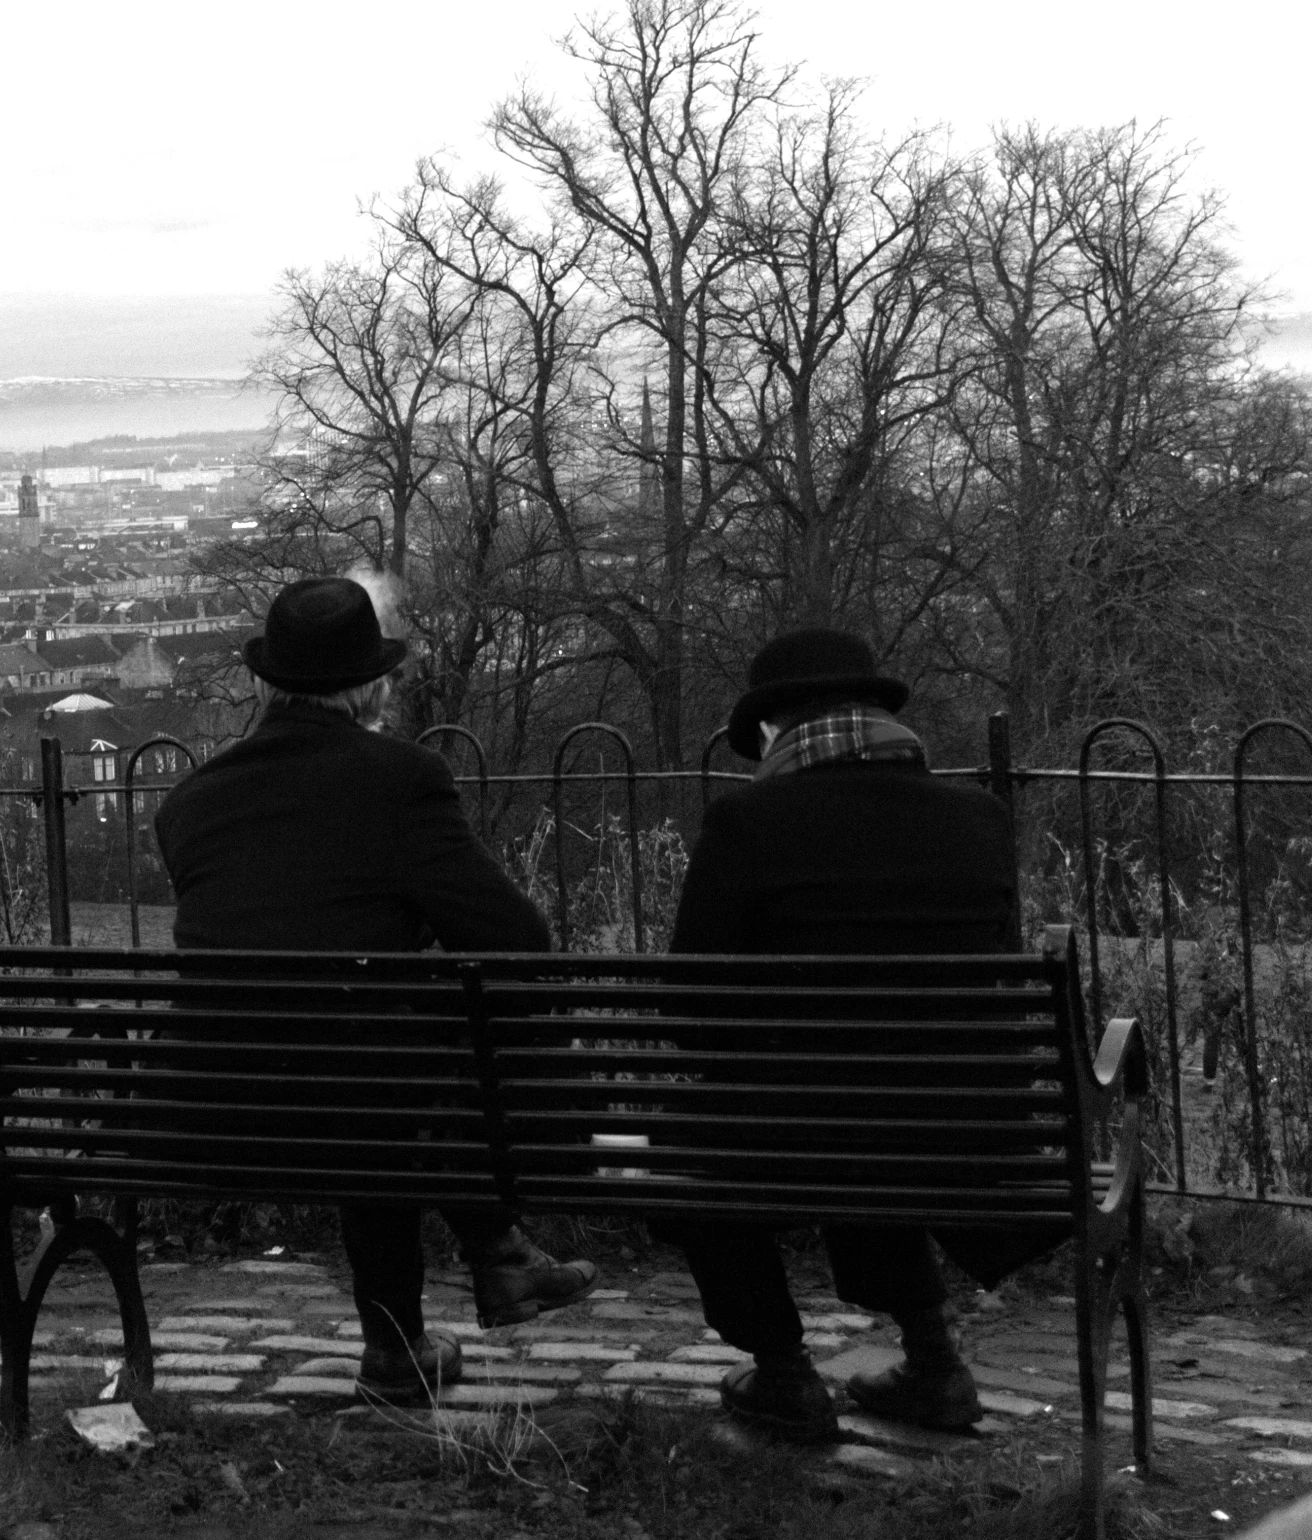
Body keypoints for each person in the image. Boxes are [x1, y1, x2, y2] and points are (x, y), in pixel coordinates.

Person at [154, 576, 598, 1405]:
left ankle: (451, 1304)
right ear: (371, 685)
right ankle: (484, 1264)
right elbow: (514, 939)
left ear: (265, 683)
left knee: (368, 1050)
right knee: (393, 1049)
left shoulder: (190, 799)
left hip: (207, 1101)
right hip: (355, 1100)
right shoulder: (399, 777)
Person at [655, 627, 1044, 1442]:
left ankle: (785, 1372)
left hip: (804, 1126)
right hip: (971, 1129)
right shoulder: (978, 817)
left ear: (775, 727)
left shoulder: (746, 823)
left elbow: (690, 1011)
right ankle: (934, 1363)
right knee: (874, 1101)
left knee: (701, 1143)